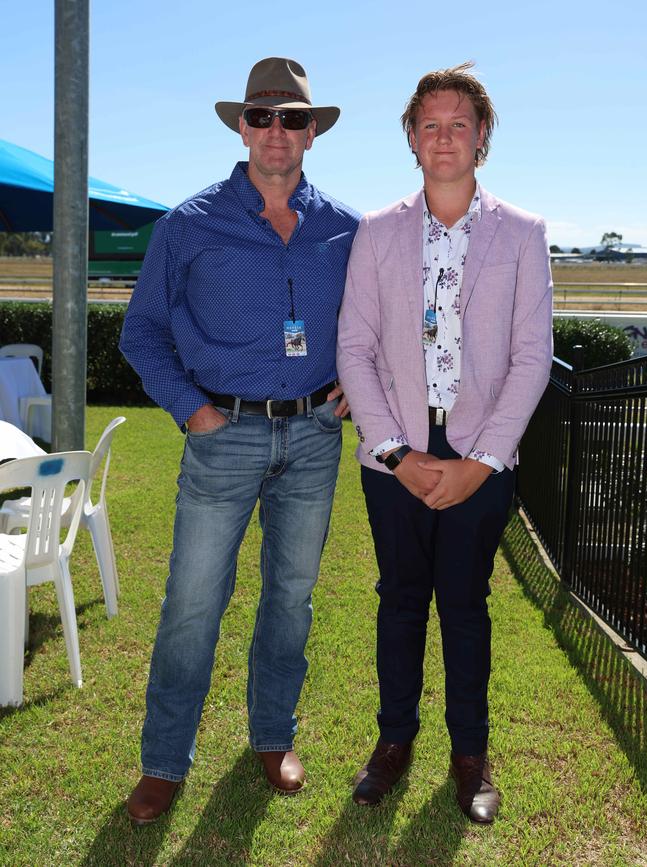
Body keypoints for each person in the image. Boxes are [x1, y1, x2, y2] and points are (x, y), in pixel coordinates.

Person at [120, 57, 359, 825]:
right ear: (242, 127)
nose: (277, 132)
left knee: (290, 598)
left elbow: (375, 324)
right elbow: (143, 332)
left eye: (293, 119)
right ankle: (164, 760)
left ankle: (271, 735)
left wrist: (362, 381)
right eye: (263, 117)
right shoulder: (188, 225)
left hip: (316, 437)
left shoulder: (346, 229)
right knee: (193, 601)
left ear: (312, 133)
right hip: (221, 433)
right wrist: (193, 411)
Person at [336, 62, 552, 823]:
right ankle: (393, 743)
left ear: (482, 135)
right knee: (399, 602)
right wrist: (397, 452)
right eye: (430, 124)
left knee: (464, 607)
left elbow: (532, 355)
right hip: (393, 457)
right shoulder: (377, 231)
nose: (445, 137)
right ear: (411, 137)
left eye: (459, 123)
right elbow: (354, 348)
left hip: (479, 458)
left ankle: (470, 756)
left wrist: (482, 462)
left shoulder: (524, 233)